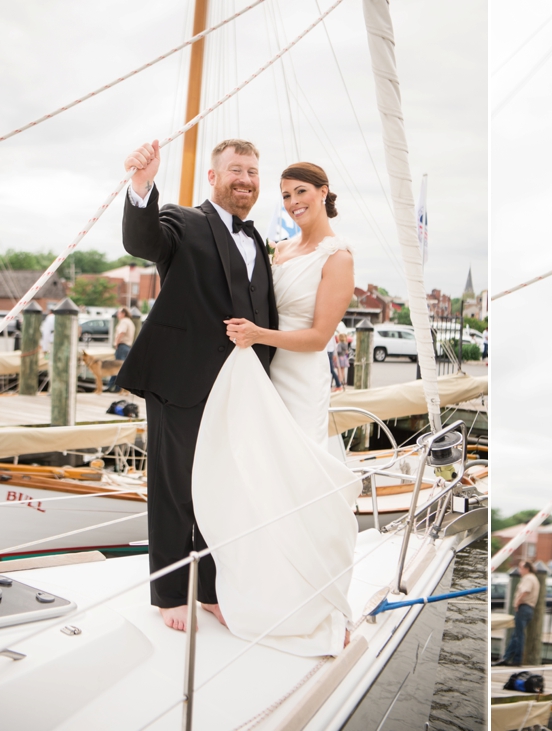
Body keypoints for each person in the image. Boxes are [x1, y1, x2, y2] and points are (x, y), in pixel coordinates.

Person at [195, 161, 358, 656]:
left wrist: (258, 335)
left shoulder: (339, 256)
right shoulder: (281, 249)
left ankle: (309, 601)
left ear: (324, 192)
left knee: (296, 481)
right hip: (263, 373)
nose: (292, 202)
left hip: (300, 376)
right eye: (286, 195)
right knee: (257, 477)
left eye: (301, 192)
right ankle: (259, 587)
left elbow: (319, 337)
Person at [117, 139, 277, 632]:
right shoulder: (183, 222)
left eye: (252, 171)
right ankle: (168, 593)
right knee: (173, 488)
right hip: (180, 379)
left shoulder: (259, 242)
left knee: (221, 490)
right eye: (235, 170)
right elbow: (144, 243)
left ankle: (210, 590)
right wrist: (141, 186)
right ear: (213, 177)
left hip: (240, 387)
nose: (245, 179)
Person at [496, 560, 539, 666]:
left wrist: (517, 602)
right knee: (516, 635)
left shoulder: (528, 578)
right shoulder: (534, 578)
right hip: (529, 609)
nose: (520, 570)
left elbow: (526, 590)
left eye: (521, 568)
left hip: (524, 607)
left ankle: (517, 660)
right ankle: (506, 658)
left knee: (519, 636)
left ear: (526, 569)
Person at [106, 308, 135, 392]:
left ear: (123, 313)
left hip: (122, 346)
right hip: (127, 347)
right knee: (122, 367)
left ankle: (113, 387)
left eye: (119, 313)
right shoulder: (130, 321)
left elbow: (122, 332)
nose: (117, 315)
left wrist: (116, 342)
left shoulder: (124, 321)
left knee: (117, 367)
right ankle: (118, 387)